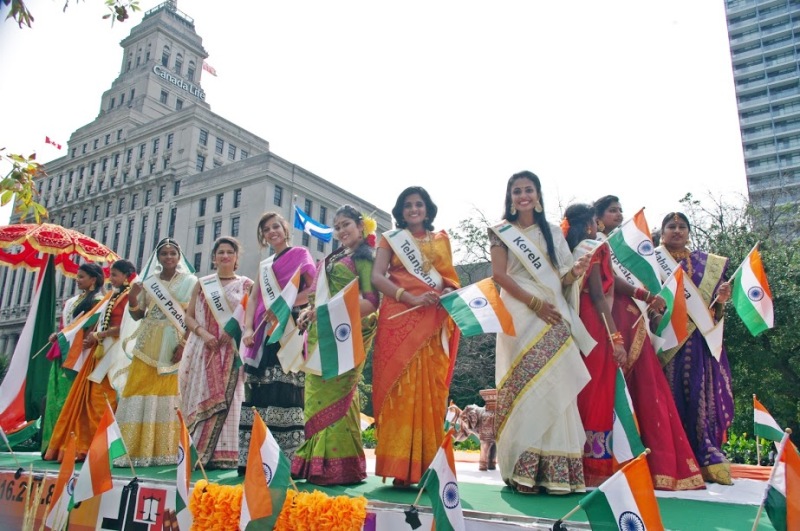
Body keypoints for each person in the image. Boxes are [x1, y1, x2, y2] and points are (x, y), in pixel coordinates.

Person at [489, 171, 593, 494]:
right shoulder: (500, 232)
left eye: (528, 190)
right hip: (520, 313)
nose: (523, 196)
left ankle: (557, 472)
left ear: (538, 195)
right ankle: (523, 470)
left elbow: (562, 277)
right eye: (517, 191)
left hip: (552, 311)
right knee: (524, 385)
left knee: (557, 383)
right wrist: (534, 302)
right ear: (510, 197)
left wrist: (574, 272)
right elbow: (499, 276)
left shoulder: (550, 232)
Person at [593, 196, 704, 490]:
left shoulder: (616, 244)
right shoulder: (596, 244)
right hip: (609, 315)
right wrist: (644, 296)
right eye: (612, 210)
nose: (618, 214)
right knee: (621, 383)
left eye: (620, 210)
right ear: (599, 217)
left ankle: (655, 462)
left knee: (646, 384)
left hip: (630, 316)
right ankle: (617, 460)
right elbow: (610, 281)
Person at [370, 186, 461, 487]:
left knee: (430, 392)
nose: (413, 209)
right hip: (398, 317)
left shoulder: (441, 240)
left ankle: (427, 465)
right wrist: (408, 297)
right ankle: (399, 468)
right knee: (398, 390)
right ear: (400, 211)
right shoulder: (390, 239)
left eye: (418, 204)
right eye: (407, 205)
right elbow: (377, 276)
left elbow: (450, 279)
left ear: (427, 209)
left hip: (432, 319)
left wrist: (447, 290)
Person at [291, 205, 379, 485]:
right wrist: (308, 312)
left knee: (340, 395)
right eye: (337, 226)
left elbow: (372, 302)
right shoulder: (335, 257)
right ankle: (316, 463)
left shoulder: (366, 258)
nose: (341, 231)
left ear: (360, 226)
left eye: (346, 225)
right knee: (318, 396)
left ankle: (340, 467)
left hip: (347, 335)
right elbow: (318, 299)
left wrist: (326, 314)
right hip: (321, 335)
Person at [655, 212, 734, 485]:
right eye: (671, 226)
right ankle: (671, 456)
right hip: (664, 341)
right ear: (662, 232)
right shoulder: (651, 261)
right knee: (666, 397)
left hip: (698, 341)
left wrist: (722, 299)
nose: (677, 231)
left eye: (682, 226)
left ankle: (705, 453)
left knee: (700, 394)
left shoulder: (705, 264)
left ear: (688, 232)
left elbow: (714, 311)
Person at [238, 213, 315, 469]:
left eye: (275, 227)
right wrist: (248, 328)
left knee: (285, 387)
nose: (272, 232)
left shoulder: (300, 254)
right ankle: (256, 458)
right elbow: (255, 298)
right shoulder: (264, 265)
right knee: (260, 389)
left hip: (290, 326)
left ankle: (286, 461)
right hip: (263, 331)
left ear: (285, 229)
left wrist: (285, 305)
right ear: (263, 236)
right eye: (266, 229)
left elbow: (313, 290)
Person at [113, 238, 197, 467]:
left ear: (179, 257)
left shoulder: (191, 282)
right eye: (164, 254)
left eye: (172, 253)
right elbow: (138, 315)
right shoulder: (149, 282)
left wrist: (184, 345)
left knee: (168, 393)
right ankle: (133, 450)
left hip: (173, 343)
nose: (168, 257)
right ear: (158, 258)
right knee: (138, 388)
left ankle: (166, 451)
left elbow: (193, 317)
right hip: (147, 343)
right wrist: (133, 296)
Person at [44, 259, 136, 462]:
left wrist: (98, 336)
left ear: (126, 276)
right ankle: (83, 447)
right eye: (110, 274)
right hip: (100, 354)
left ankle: (103, 449)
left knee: (103, 400)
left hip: (117, 355)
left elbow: (129, 327)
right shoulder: (113, 295)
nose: (110, 279)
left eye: (114, 275)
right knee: (88, 400)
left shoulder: (131, 295)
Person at [563, 203, 628, 486]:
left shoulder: (566, 251)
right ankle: (594, 465)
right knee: (597, 388)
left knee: (578, 389)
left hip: (572, 323)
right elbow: (600, 296)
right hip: (593, 323)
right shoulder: (595, 247)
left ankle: (572, 459)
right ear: (592, 224)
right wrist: (616, 338)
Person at [180, 237, 253, 469]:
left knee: (232, 402)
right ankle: (197, 453)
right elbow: (189, 316)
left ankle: (225, 454)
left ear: (236, 258)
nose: (224, 256)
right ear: (213, 257)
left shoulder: (246, 285)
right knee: (199, 396)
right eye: (220, 252)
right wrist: (203, 333)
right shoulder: (203, 284)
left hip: (231, 350)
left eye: (229, 252)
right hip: (204, 348)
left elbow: (251, 316)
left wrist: (232, 333)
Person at [41, 263, 105, 454]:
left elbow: (93, 330)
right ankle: (52, 445)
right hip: (64, 355)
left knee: (74, 400)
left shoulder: (100, 302)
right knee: (56, 399)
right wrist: (56, 335)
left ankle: (70, 446)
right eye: (77, 277)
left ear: (93, 280)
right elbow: (66, 328)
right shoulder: (71, 302)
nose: (77, 280)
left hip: (82, 357)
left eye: (81, 277)